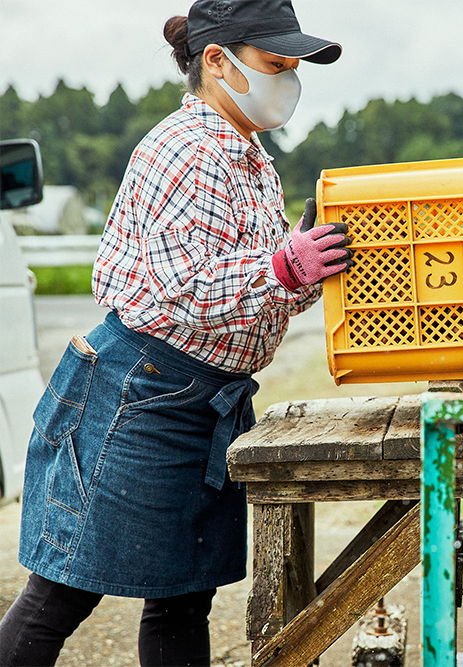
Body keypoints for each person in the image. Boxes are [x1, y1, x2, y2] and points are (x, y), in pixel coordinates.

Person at [0, 1, 352, 665]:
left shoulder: (250, 158)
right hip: (139, 391)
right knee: (62, 591)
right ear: (216, 60)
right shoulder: (184, 151)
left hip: (204, 399)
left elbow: (258, 292)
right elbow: (182, 290)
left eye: (293, 67)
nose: (289, 80)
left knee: (183, 595)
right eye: (276, 64)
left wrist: (305, 271)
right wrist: (281, 266)